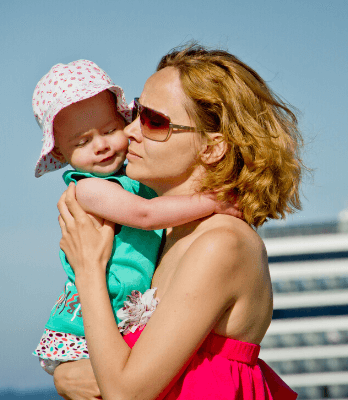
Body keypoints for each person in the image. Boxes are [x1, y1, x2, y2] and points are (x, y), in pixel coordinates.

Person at [54, 44, 304, 399]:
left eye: (154, 121)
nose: (128, 132)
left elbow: (126, 393)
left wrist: (88, 268)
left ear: (212, 147)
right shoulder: (166, 237)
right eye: (136, 113)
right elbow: (117, 364)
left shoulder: (221, 242)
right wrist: (64, 375)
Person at [31, 59, 239, 375]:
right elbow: (145, 214)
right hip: (87, 327)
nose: (101, 145)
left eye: (110, 130)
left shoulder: (135, 175)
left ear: (125, 121)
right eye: (83, 141)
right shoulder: (87, 190)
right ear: (60, 154)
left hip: (120, 313)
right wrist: (211, 201)